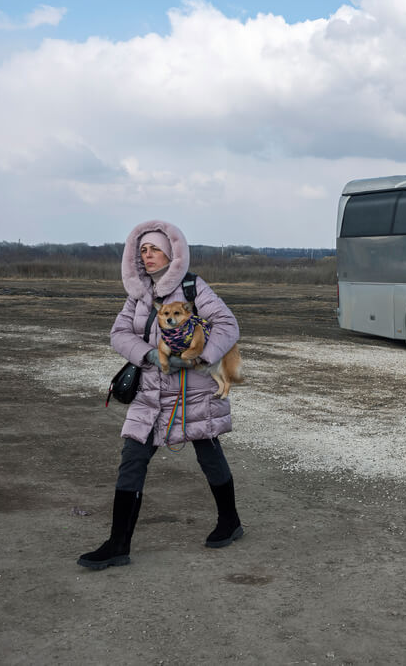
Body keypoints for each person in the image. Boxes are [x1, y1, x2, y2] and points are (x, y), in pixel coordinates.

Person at [78, 220, 244, 570]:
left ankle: (230, 521)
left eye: (154, 249)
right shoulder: (138, 296)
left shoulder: (193, 287)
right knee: (132, 460)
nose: (148, 255)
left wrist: (201, 357)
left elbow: (228, 325)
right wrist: (148, 354)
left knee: (209, 456)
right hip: (150, 393)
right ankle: (118, 544)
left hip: (193, 393)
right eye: (142, 250)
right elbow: (119, 334)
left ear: (170, 253)